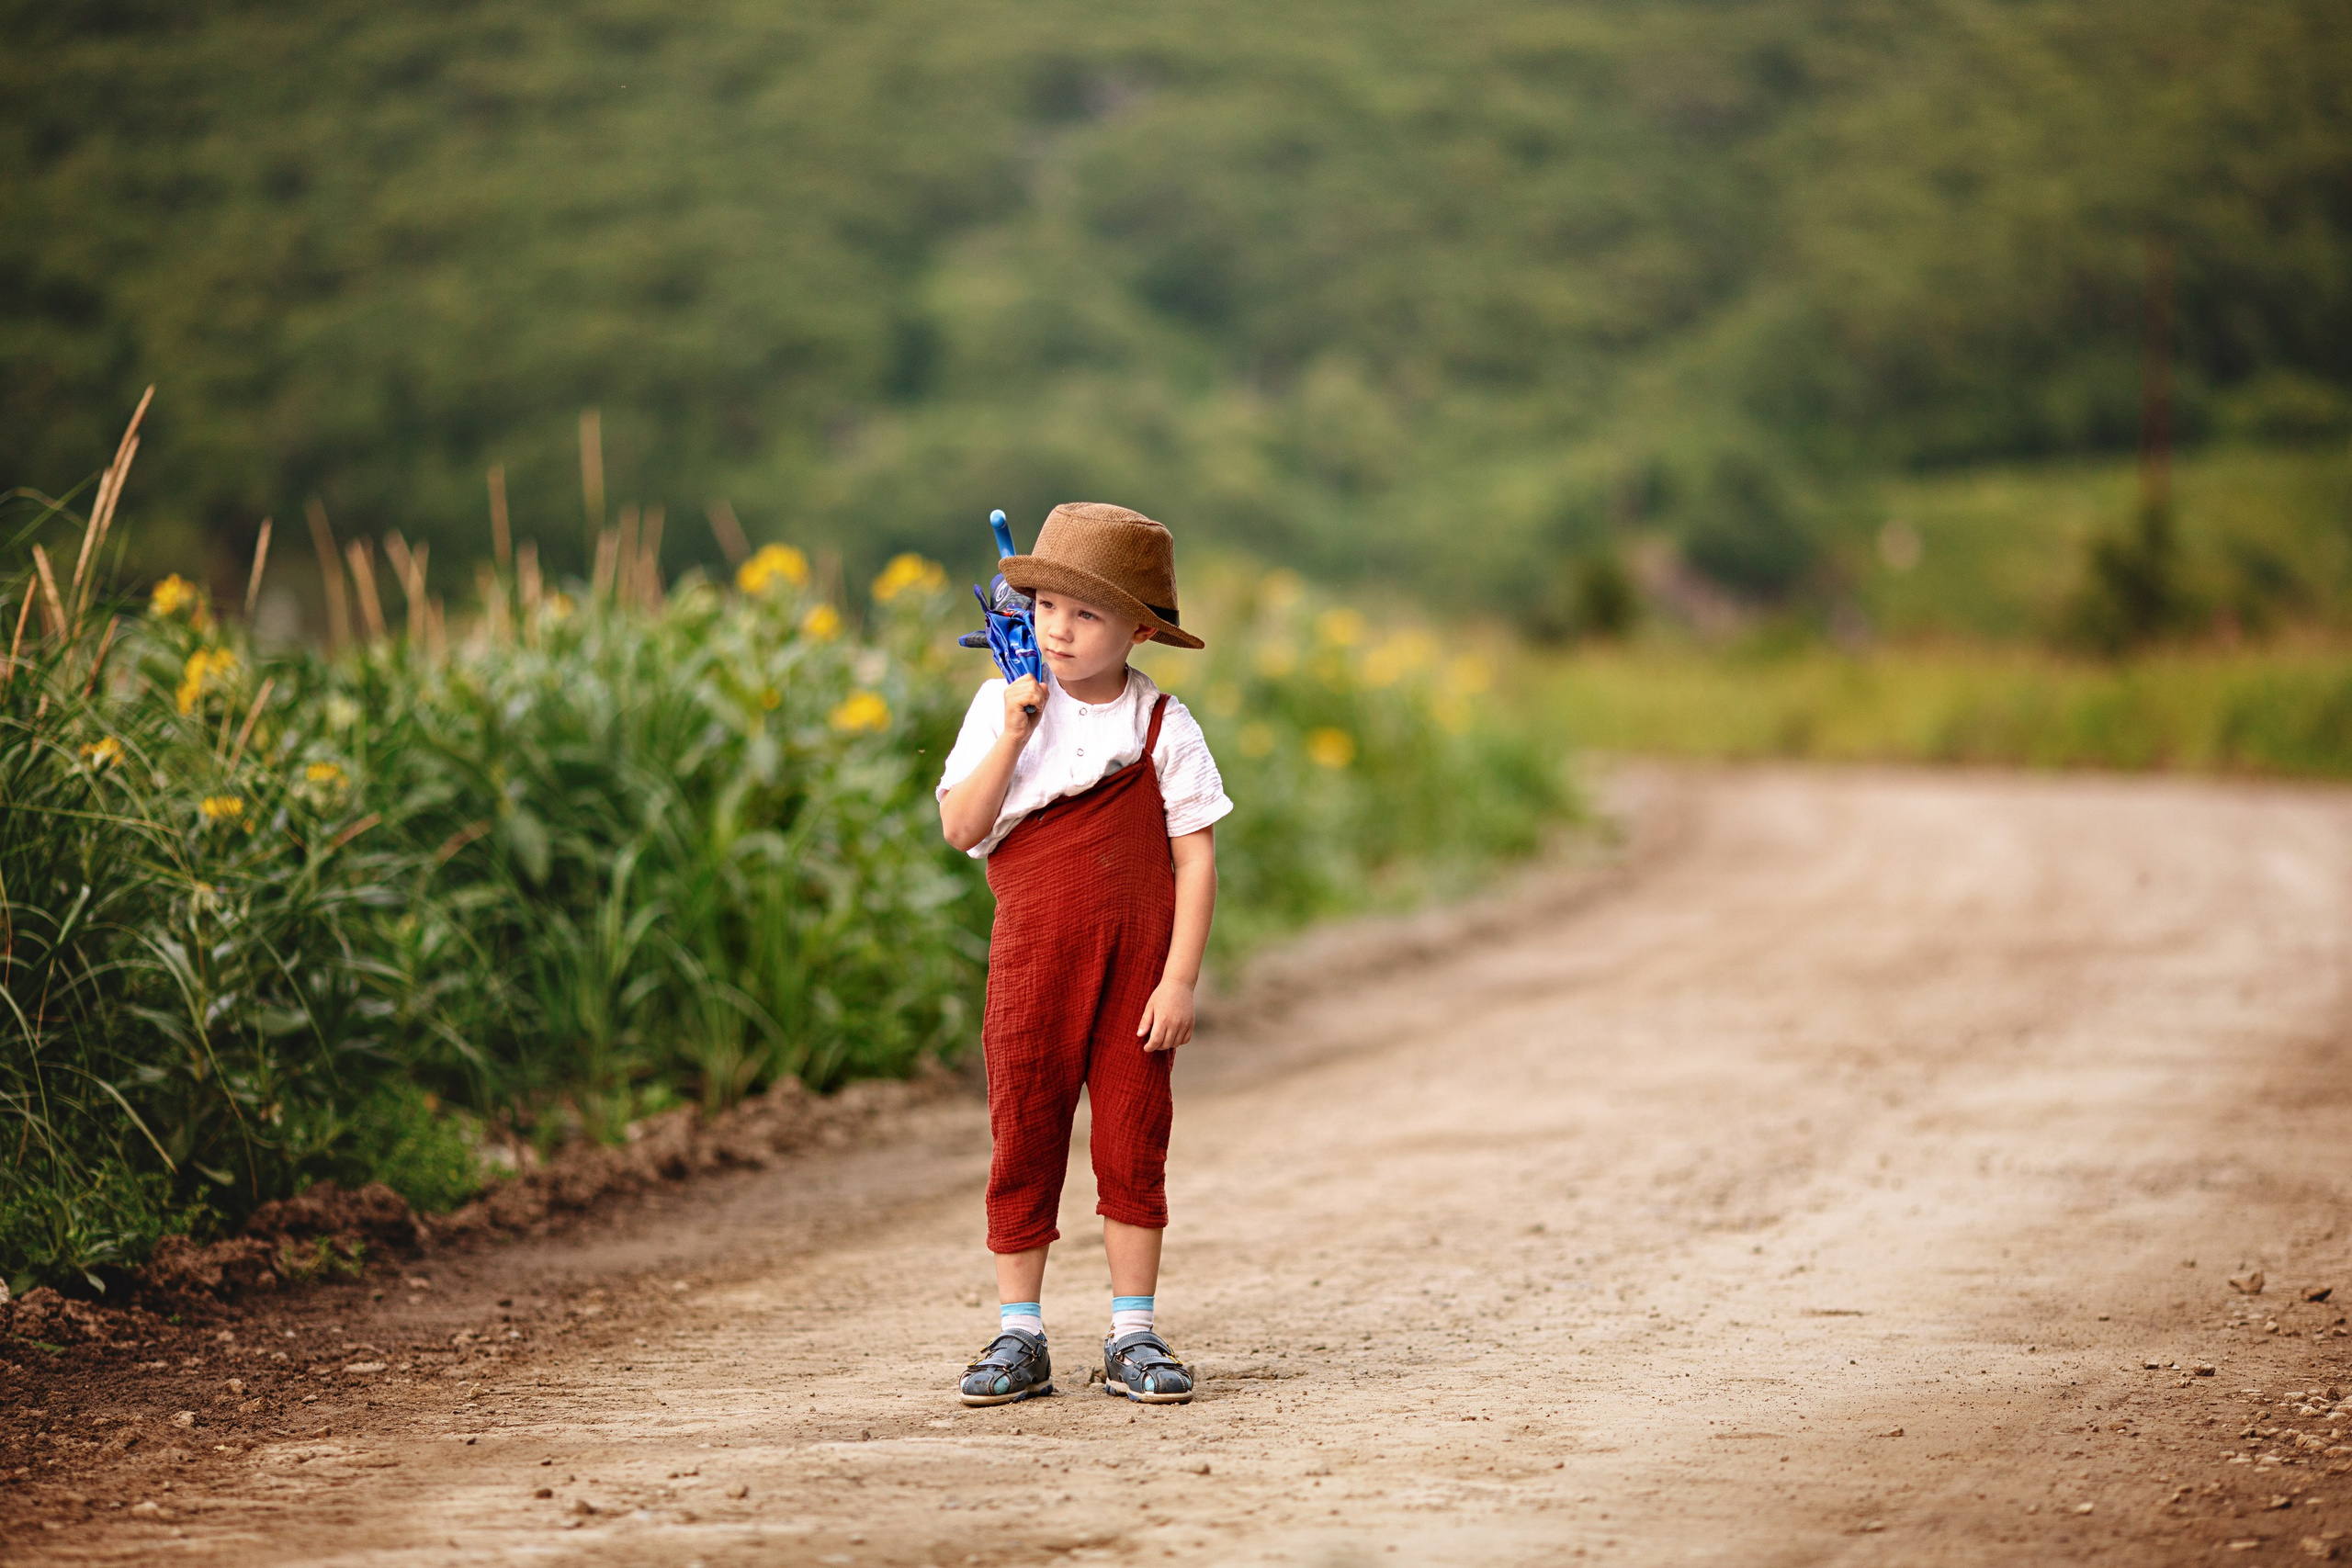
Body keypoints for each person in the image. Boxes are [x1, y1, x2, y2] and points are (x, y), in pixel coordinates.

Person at [936, 502, 1230, 1406]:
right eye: (1046, 607)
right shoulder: (1001, 705)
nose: (1059, 629)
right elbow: (960, 828)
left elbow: (1195, 855)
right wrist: (1018, 732)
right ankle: (1017, 1334)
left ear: (1139, 630)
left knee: (1132, 1142)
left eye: (1087, 613)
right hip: (1032, 965)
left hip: (1138, 980)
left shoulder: (1161, 726)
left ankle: (1132, 1332)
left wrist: (1179, 978)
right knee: (1024, 1130)